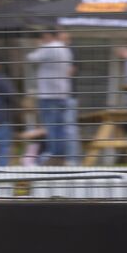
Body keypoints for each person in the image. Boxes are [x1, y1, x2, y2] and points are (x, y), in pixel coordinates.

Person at [27, 31, 74, 164]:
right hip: (62, 94)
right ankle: (61, 156)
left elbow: (31, 58)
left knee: (51, 127)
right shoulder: (65, 50)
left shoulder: (50, 47)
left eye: (42, 37)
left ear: (47, 36)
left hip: (49, 95)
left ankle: (54, 155)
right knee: (60, 128)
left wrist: (40, 46)